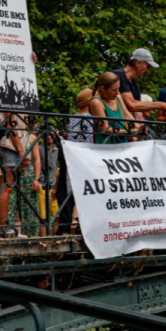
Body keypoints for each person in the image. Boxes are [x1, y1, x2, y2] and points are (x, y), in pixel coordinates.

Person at [55, 88, 94, 235]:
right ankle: (84, 225)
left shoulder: (70, 118)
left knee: (64, 190)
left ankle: (64, 227)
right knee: (86, 190)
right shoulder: (93, 117)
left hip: (69, 155)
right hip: (85, 157)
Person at [0, 113, 40, 238]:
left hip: (12, 145)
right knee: (7, 186)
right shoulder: (11, 98)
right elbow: (10, 123)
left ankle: (5, 228)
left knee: (7, 187)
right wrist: (21, 150)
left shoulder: (30, 135)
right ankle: (4, 228)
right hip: (10, 145)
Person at [111, 48, 166, 121]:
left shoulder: (135, 87)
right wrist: (160, 105)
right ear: (138, 63)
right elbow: (132, 105)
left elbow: (138, 116)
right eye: (147, 67)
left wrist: (143, 128)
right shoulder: (117, 76)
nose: (148, 71)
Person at [90, 72, 138, 144]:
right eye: (114, 90)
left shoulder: (117, 97)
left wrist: (139, 127)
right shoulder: (97, 102)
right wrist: (129, 131)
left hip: (123, 143)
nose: (118, 93)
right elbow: (105, 128)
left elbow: (127, 114)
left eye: (118, 88)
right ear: (103, 88)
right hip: (107, 145)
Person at [36, 132, 60, 235]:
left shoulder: (57, 150)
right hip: (42, 185)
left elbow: (56, 168)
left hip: (53, 186)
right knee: (43, 218)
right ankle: (44, 243)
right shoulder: (39, 149)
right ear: (42, 136)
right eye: (46, 134)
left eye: (51, 134)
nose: (49, 137)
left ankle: (55, 241)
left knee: (57, 216)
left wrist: (57, 185)